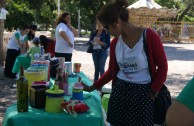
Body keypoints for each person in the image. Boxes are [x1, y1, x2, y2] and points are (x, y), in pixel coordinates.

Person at [82, 0, 168, 125]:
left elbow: (163, 67)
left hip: (143, 95)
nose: (106, 31)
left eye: (107, 27)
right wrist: (92, 87)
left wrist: (154, 90)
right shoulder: (115, 43)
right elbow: (112, 71)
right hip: (120, 94)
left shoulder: (149, 36)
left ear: (116, 23)